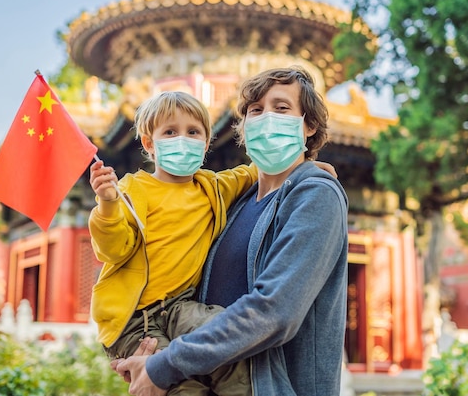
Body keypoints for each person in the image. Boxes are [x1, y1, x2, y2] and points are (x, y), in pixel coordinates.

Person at [116, 66, 349, 396]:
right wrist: (151, 355)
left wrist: (165, 365)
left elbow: (274, 311)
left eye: (281, 108)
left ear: (308, 125)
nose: (266, 118)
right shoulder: (233, 203)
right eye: (256, 110)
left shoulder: (314, 195)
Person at [89, 91, 257, 395]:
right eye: (170, 131)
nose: (183, 138)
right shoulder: (132, 190)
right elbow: (112, 249)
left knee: (228, 337)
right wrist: (108, 204)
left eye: (193, 132)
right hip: (134, 319)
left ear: (206, 143)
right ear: (150, 143)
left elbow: (257, 172)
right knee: (180, 387)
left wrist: (304, 168)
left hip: (182, 306)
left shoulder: (213, 188)